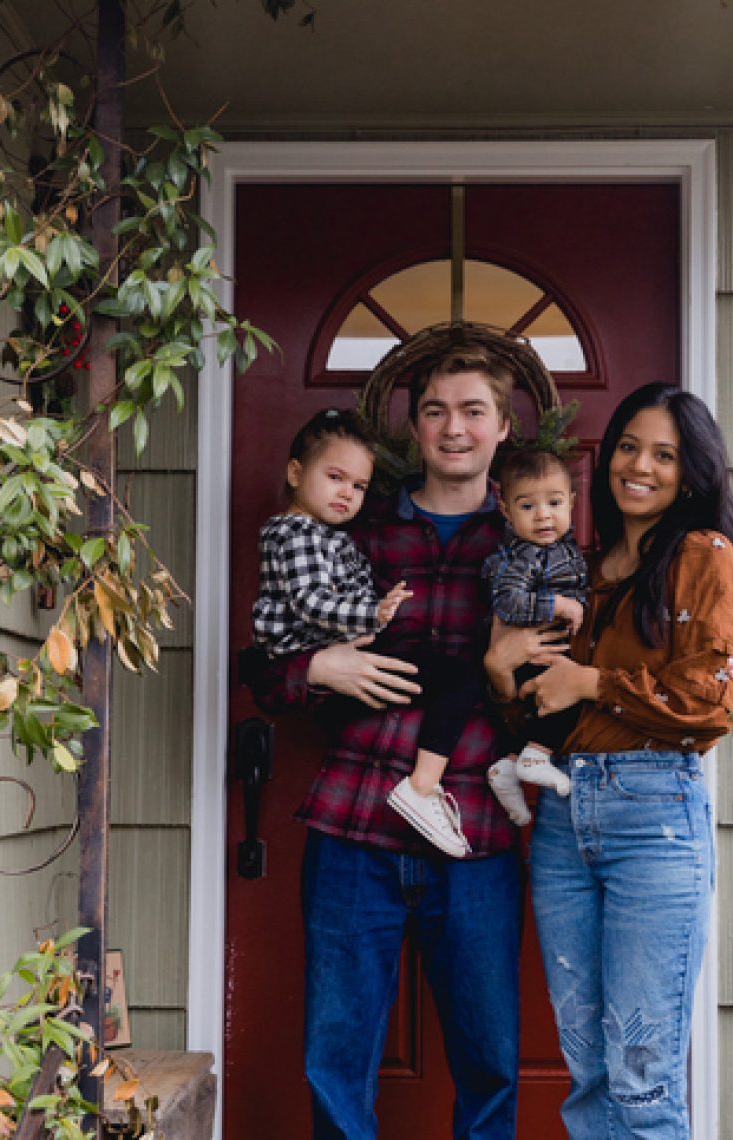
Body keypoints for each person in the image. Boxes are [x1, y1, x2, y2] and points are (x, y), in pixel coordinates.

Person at [242, 343, 521, 1140]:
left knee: (491, 1064)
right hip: (354, 827)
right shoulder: (355, 531)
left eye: (473, 411)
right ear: (416, 428)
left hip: (474, 834)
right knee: (336, 1062)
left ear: (501, 427)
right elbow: (267, 672)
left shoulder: (527, 543)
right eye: (435, 411)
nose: (454, 428)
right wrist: (319, 667)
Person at [484, 383, 733, 1139]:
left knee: (642, 1081)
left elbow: (716, 704)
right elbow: (545, 710)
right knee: (590, 1076)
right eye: (630, 448)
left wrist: (595, 681)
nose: (641, 466)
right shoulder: (582, 569)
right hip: (565, 821)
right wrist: (505, 676)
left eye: (664, 455)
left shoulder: (705, 557)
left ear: (694, 473)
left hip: (654, 822)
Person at [251, 408, 477, 858]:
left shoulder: (331, 534)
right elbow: (310, 603)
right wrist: (371, 616)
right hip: (330, 671)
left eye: (357, 486)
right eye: (335, 477)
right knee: (458, 678)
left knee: (449, 674)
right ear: (296, 473)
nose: (347, 494)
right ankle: (422, 787)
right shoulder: (298, 533)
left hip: (354, 664)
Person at [480, 447, 588, 826]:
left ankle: (508, 766)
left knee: (540, 706)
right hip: (529, 651)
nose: (543, 515)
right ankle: (536, 756)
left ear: (572, 503)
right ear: (506, 510)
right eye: (528, 507)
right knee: (567, 701)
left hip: (542, 651)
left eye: (554, 503)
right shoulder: (526, 555)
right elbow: (508, 601)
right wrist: (557, 605)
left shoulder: (559, 549)